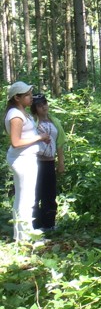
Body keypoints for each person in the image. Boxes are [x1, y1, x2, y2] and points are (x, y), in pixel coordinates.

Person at [4, 82, 50, 242]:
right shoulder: (16, 116)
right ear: (17, 98)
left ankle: (22, 235)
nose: (31, 97)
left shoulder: (20, 112)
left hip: (26, 158)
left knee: (22, 198)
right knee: (27, 198)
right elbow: (16, 142)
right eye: (28, 95)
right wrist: (40, 137)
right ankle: (26, 237)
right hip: (22, 160)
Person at [30, 94, 66, 231]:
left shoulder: (54, 121)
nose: (44, 107)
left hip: (50, 162)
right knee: (36, 193)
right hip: (35, 162)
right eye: (39, 105)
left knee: (50, 194)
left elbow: (60, 143)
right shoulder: (32, 122)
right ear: (35, 109)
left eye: (45, 103)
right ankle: (35, 224)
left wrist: (61, 162)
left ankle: (49, 224)